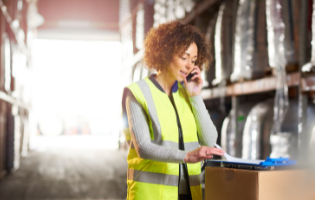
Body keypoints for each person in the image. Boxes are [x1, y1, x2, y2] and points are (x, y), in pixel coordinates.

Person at [121, 21, 225, 200]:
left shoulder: (186, 94)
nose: (189, 66)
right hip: (150, 195)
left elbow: (209, 140)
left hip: (188, 194)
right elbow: (143, 147)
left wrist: (195, 96)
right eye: (184, 58)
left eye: (193, 61)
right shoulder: (137, 93)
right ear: (165, 52)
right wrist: (186, 156)